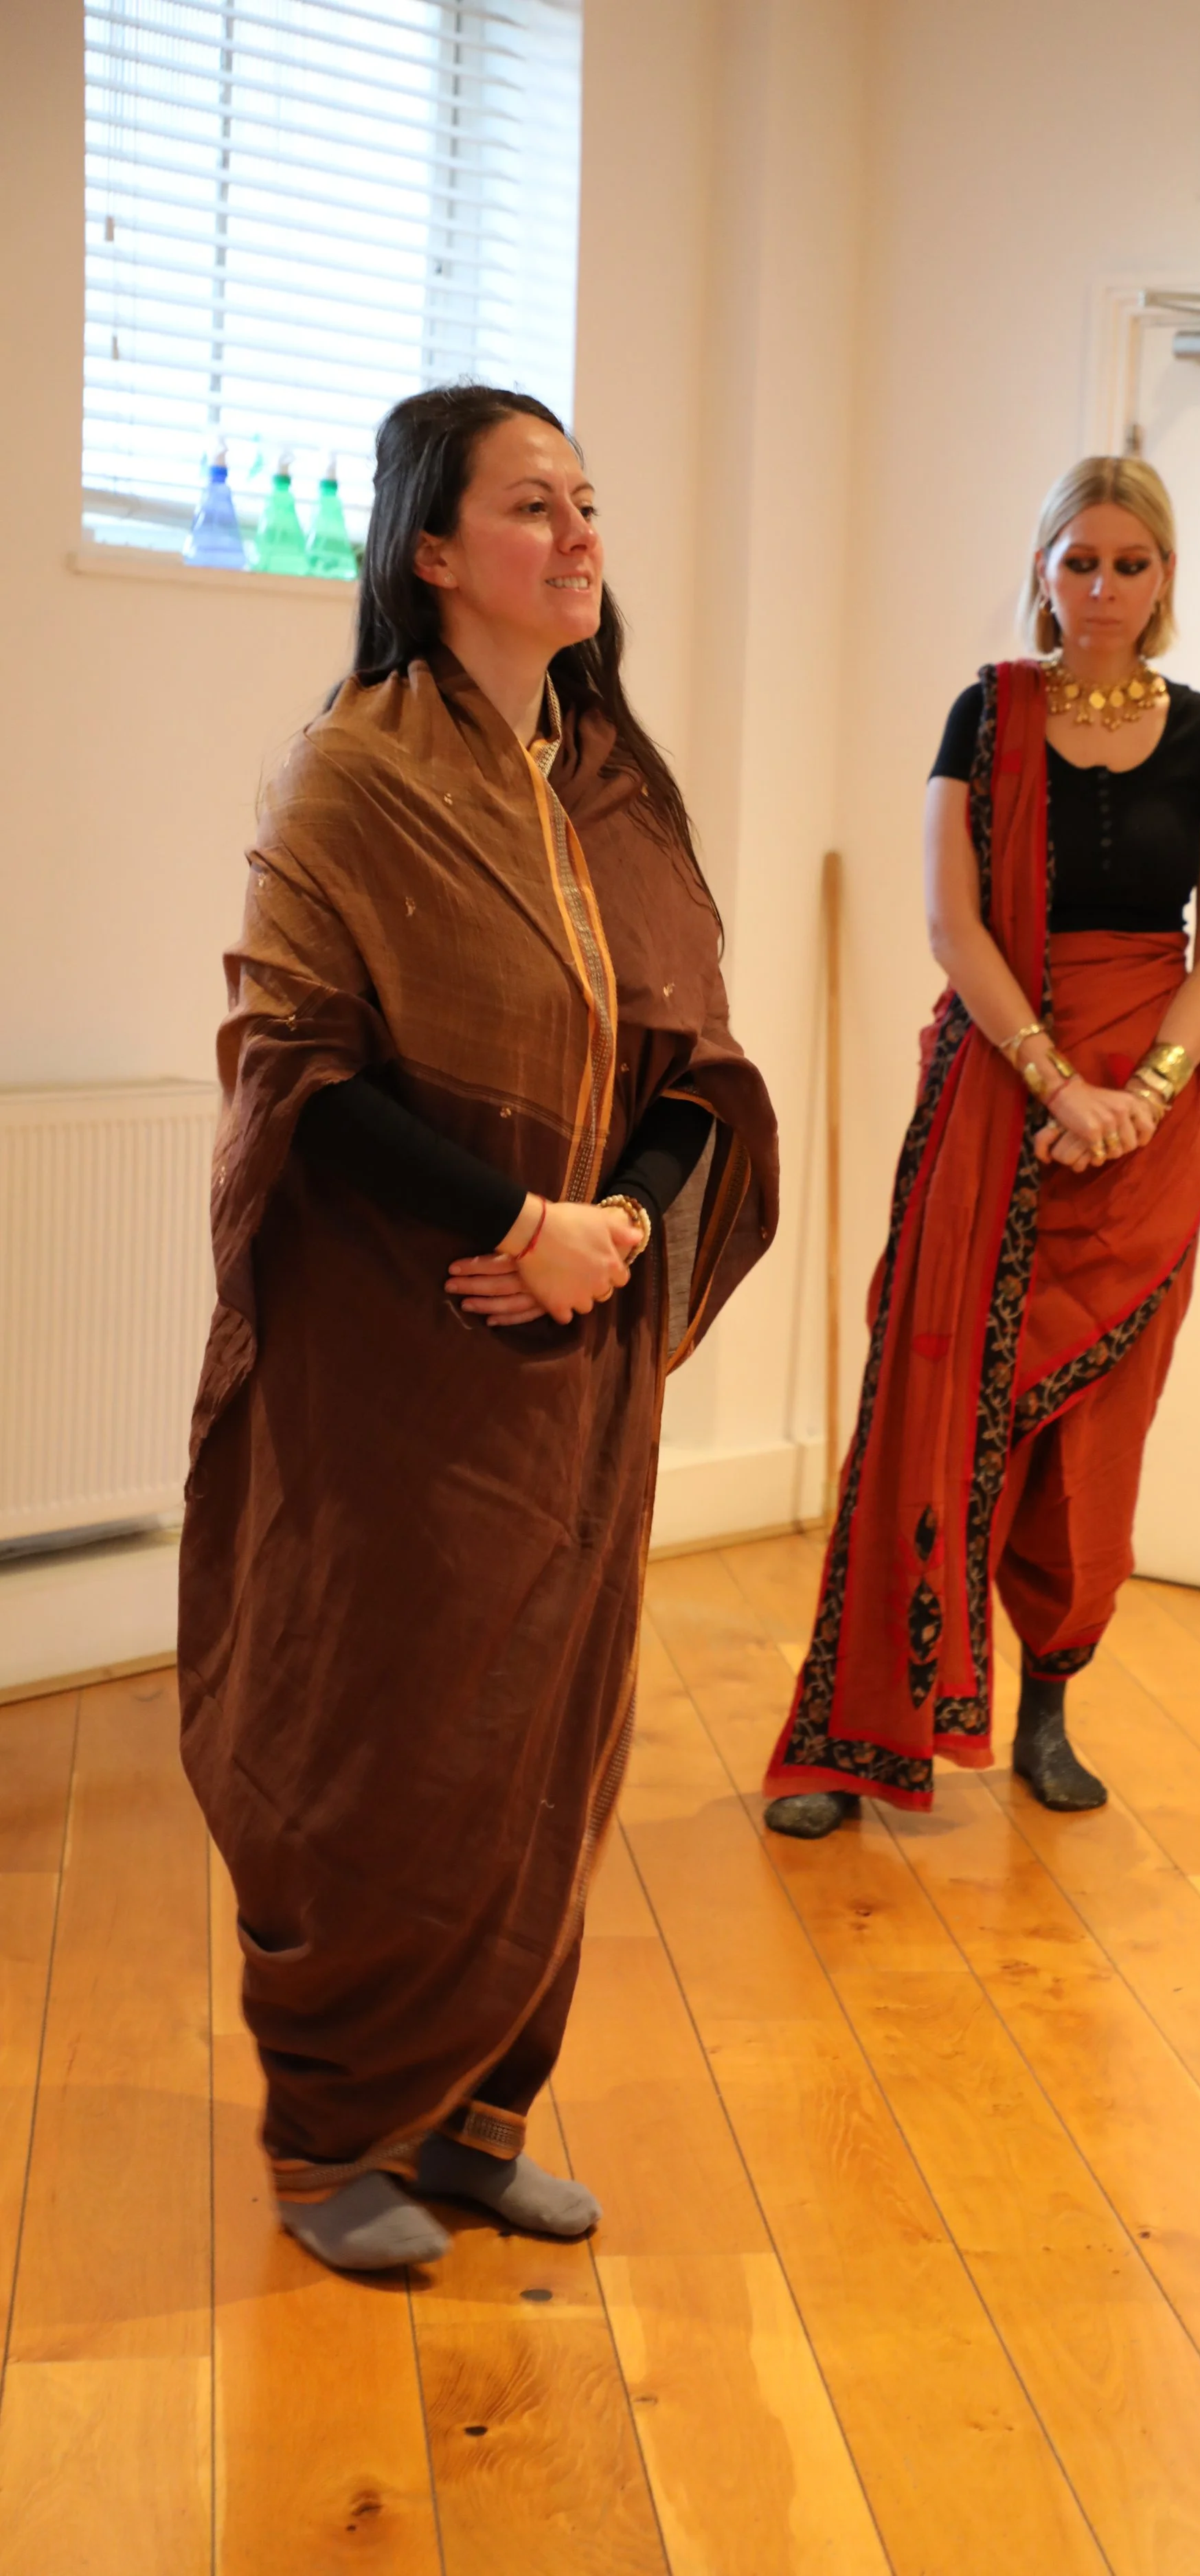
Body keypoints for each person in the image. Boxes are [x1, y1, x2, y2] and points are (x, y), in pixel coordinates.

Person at [180, 385, 778, 2270]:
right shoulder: (350, 772)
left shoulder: (616, 780)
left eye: (590, 501)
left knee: (550, 1727)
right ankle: (332, 2125)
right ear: (431, 547)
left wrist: (612, 1230)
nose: (582, 535)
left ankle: (471, 2114)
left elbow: (699, 1064)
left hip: (578, 1347)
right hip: (400, 1344)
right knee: (389, 1721)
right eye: (537, 506)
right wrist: (510, 1217)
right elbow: (297, 1069)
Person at [764, 455, 1200, 1835]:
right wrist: (1050, 1084)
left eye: (1129, 564)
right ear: (1041, 566)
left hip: (1146, 1122)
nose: (1101, 587)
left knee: (1091, 1436)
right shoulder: (987, 716)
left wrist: (1142, 1092)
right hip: (997, 1092)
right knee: (927, 1407)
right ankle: (854, 1737)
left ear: (1163, 580)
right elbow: (950, 924)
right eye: (1078, 559)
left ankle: (1048, 1701)